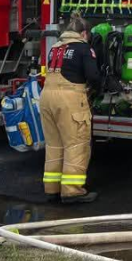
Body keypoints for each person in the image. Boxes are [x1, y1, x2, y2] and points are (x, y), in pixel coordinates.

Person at [40, 14, 100, 203]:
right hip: (70, 100)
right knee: (76, 145)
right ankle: (72, 191)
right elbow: (93, 76)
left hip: (47, 98)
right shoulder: (84, 48)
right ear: (83, 33)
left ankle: (52, 189)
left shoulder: (54, 49)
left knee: (54, 145)